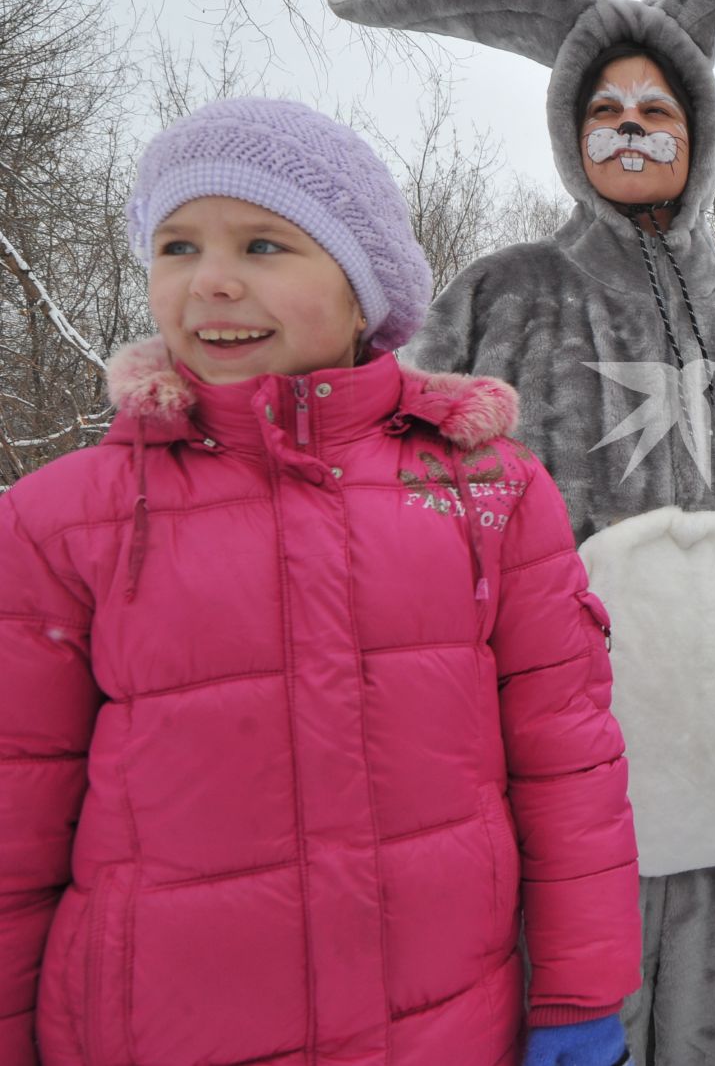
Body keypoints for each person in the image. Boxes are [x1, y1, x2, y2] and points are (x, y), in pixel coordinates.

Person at [323, 0, 715, 1065]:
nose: (632, 126)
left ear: (701, 126)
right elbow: (404, 498)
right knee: (577, 1007)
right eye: (607, 109)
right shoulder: (499, 295)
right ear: (572, 131)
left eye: (657, 108)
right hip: (557, 755)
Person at [0, 98, 640, 1066]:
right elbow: (16, 816)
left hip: (445, 1026)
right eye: (177, 246)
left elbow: (568, 765)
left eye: (263, 244)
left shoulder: (487, 491)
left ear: (361, 290)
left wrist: (581, 992)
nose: (211, 279)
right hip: (154, 1026)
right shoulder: (65, 520)